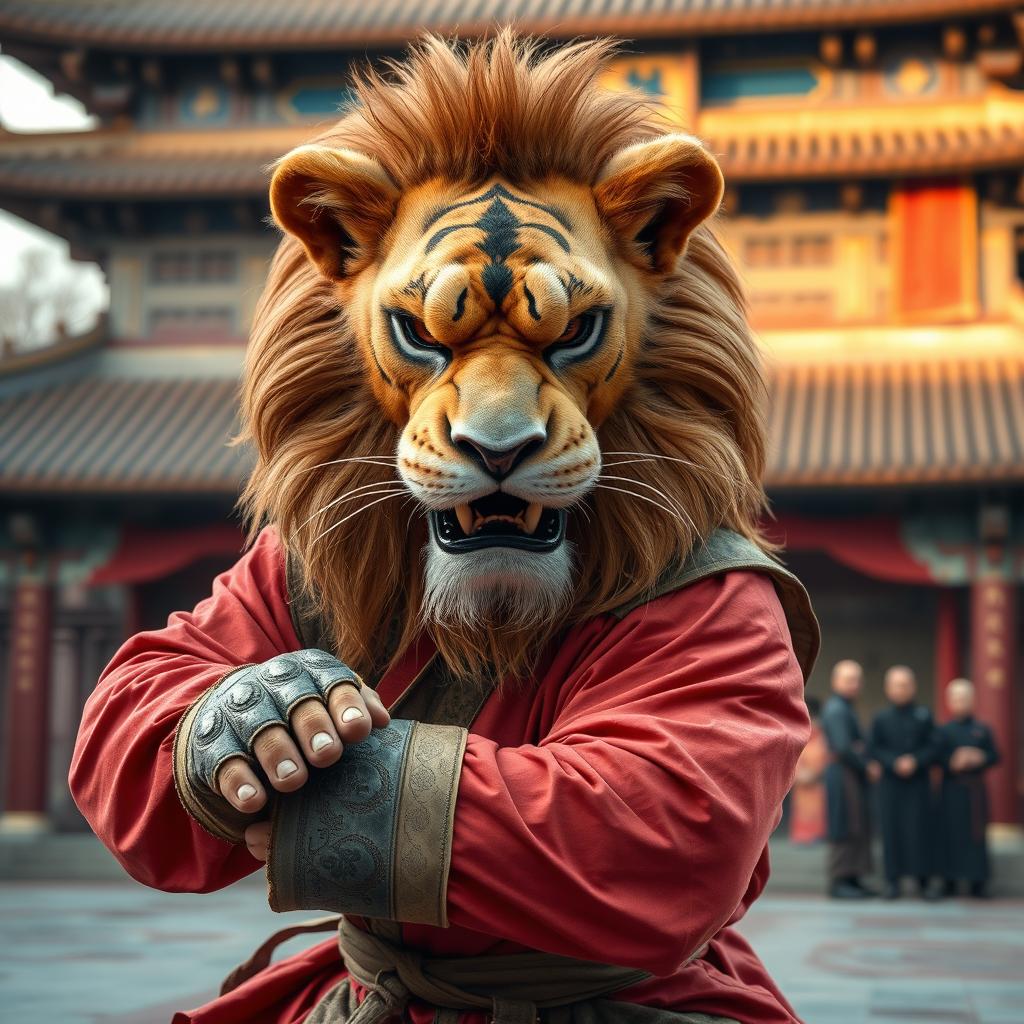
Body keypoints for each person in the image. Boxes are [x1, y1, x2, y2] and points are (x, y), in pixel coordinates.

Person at [869, 665, 939, 899]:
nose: (902, 689)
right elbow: (874, 748)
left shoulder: (924, 715)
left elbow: (934, 746)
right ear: (888, 689)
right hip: (890, 785)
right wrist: (893, 762)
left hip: (918, 784)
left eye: (906, 684)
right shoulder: (881, 717)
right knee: (892, 832)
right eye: (897, 685)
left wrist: (916, 761)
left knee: (920, 832)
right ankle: (892, 882)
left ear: (913, 687)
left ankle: (923, 882)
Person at [935, 678, 1001, 897]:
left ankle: (977, 883)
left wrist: (979, 757)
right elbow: (936, 758)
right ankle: (949, 882)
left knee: (975, 837)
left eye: (964, 697)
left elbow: (995, 756)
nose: (960, 702)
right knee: (949, 834)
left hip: (974, 792)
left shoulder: (982, 729)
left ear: (973, 700)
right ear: (949, 701)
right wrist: (952, 761)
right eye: (956, 698)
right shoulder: (943, 730)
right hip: (951, 790)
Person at [821, 660, 878, 898]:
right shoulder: (836, 708)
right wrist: (866, 764)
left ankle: (853, 879)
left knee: (857, 825)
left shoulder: (845, 707)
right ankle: (839, 881)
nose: (853, 685)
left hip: (850, 775)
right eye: (848, 679)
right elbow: (844, 747)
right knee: (845, 824)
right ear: (835, 682)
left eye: (856, 680)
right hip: (842, 775)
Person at [790, 696, 828, 844]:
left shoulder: (823, 736)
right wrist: (798, 773)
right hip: (801, 778)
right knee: (802, 808)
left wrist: (817, 772)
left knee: (817, 807)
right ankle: (803, 834)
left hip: (818, 780)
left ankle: (817, 833)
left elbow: (827, 755)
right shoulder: (799, 732)